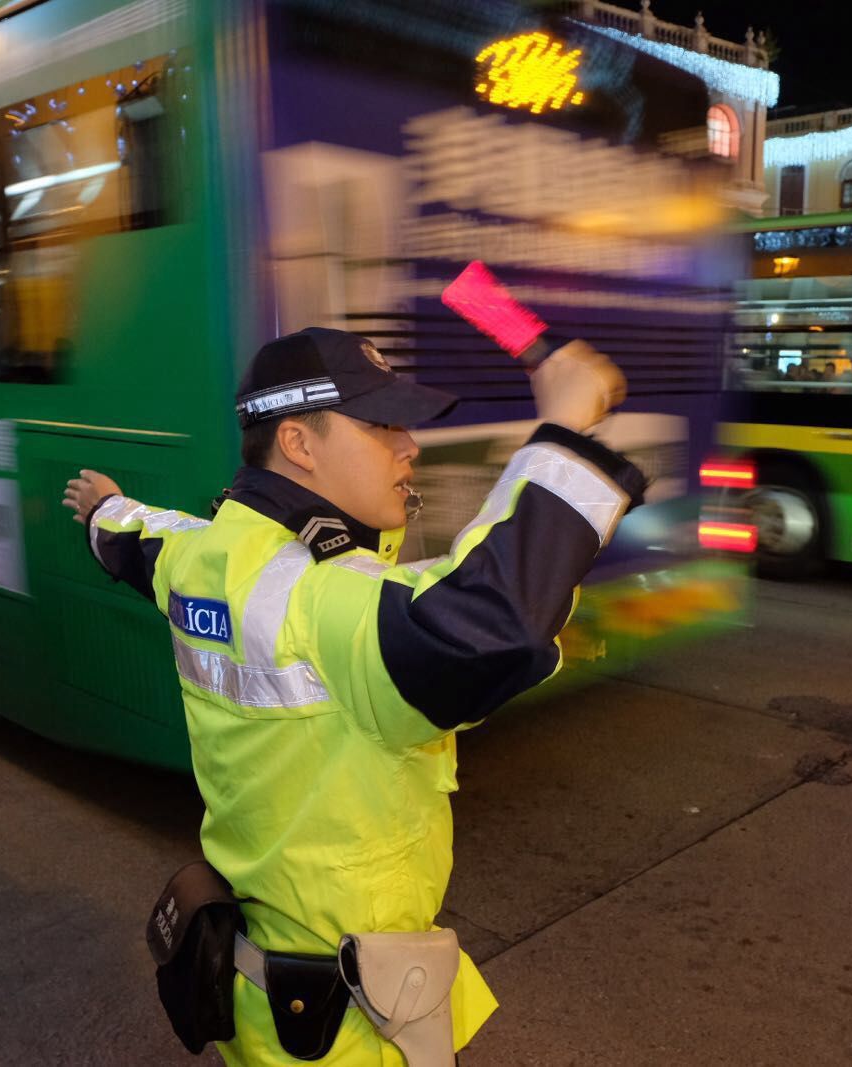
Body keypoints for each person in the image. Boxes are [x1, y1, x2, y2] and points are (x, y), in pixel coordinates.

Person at [62, 327, 641, 1066]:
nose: (410, 446)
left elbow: (138, 538)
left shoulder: (202, 557)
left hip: (258, 999)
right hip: (353, 1028)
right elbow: (493, 627)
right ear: (299, 444)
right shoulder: (324, 600)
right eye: (382, 425)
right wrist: (564, 435)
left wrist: (103, 507)